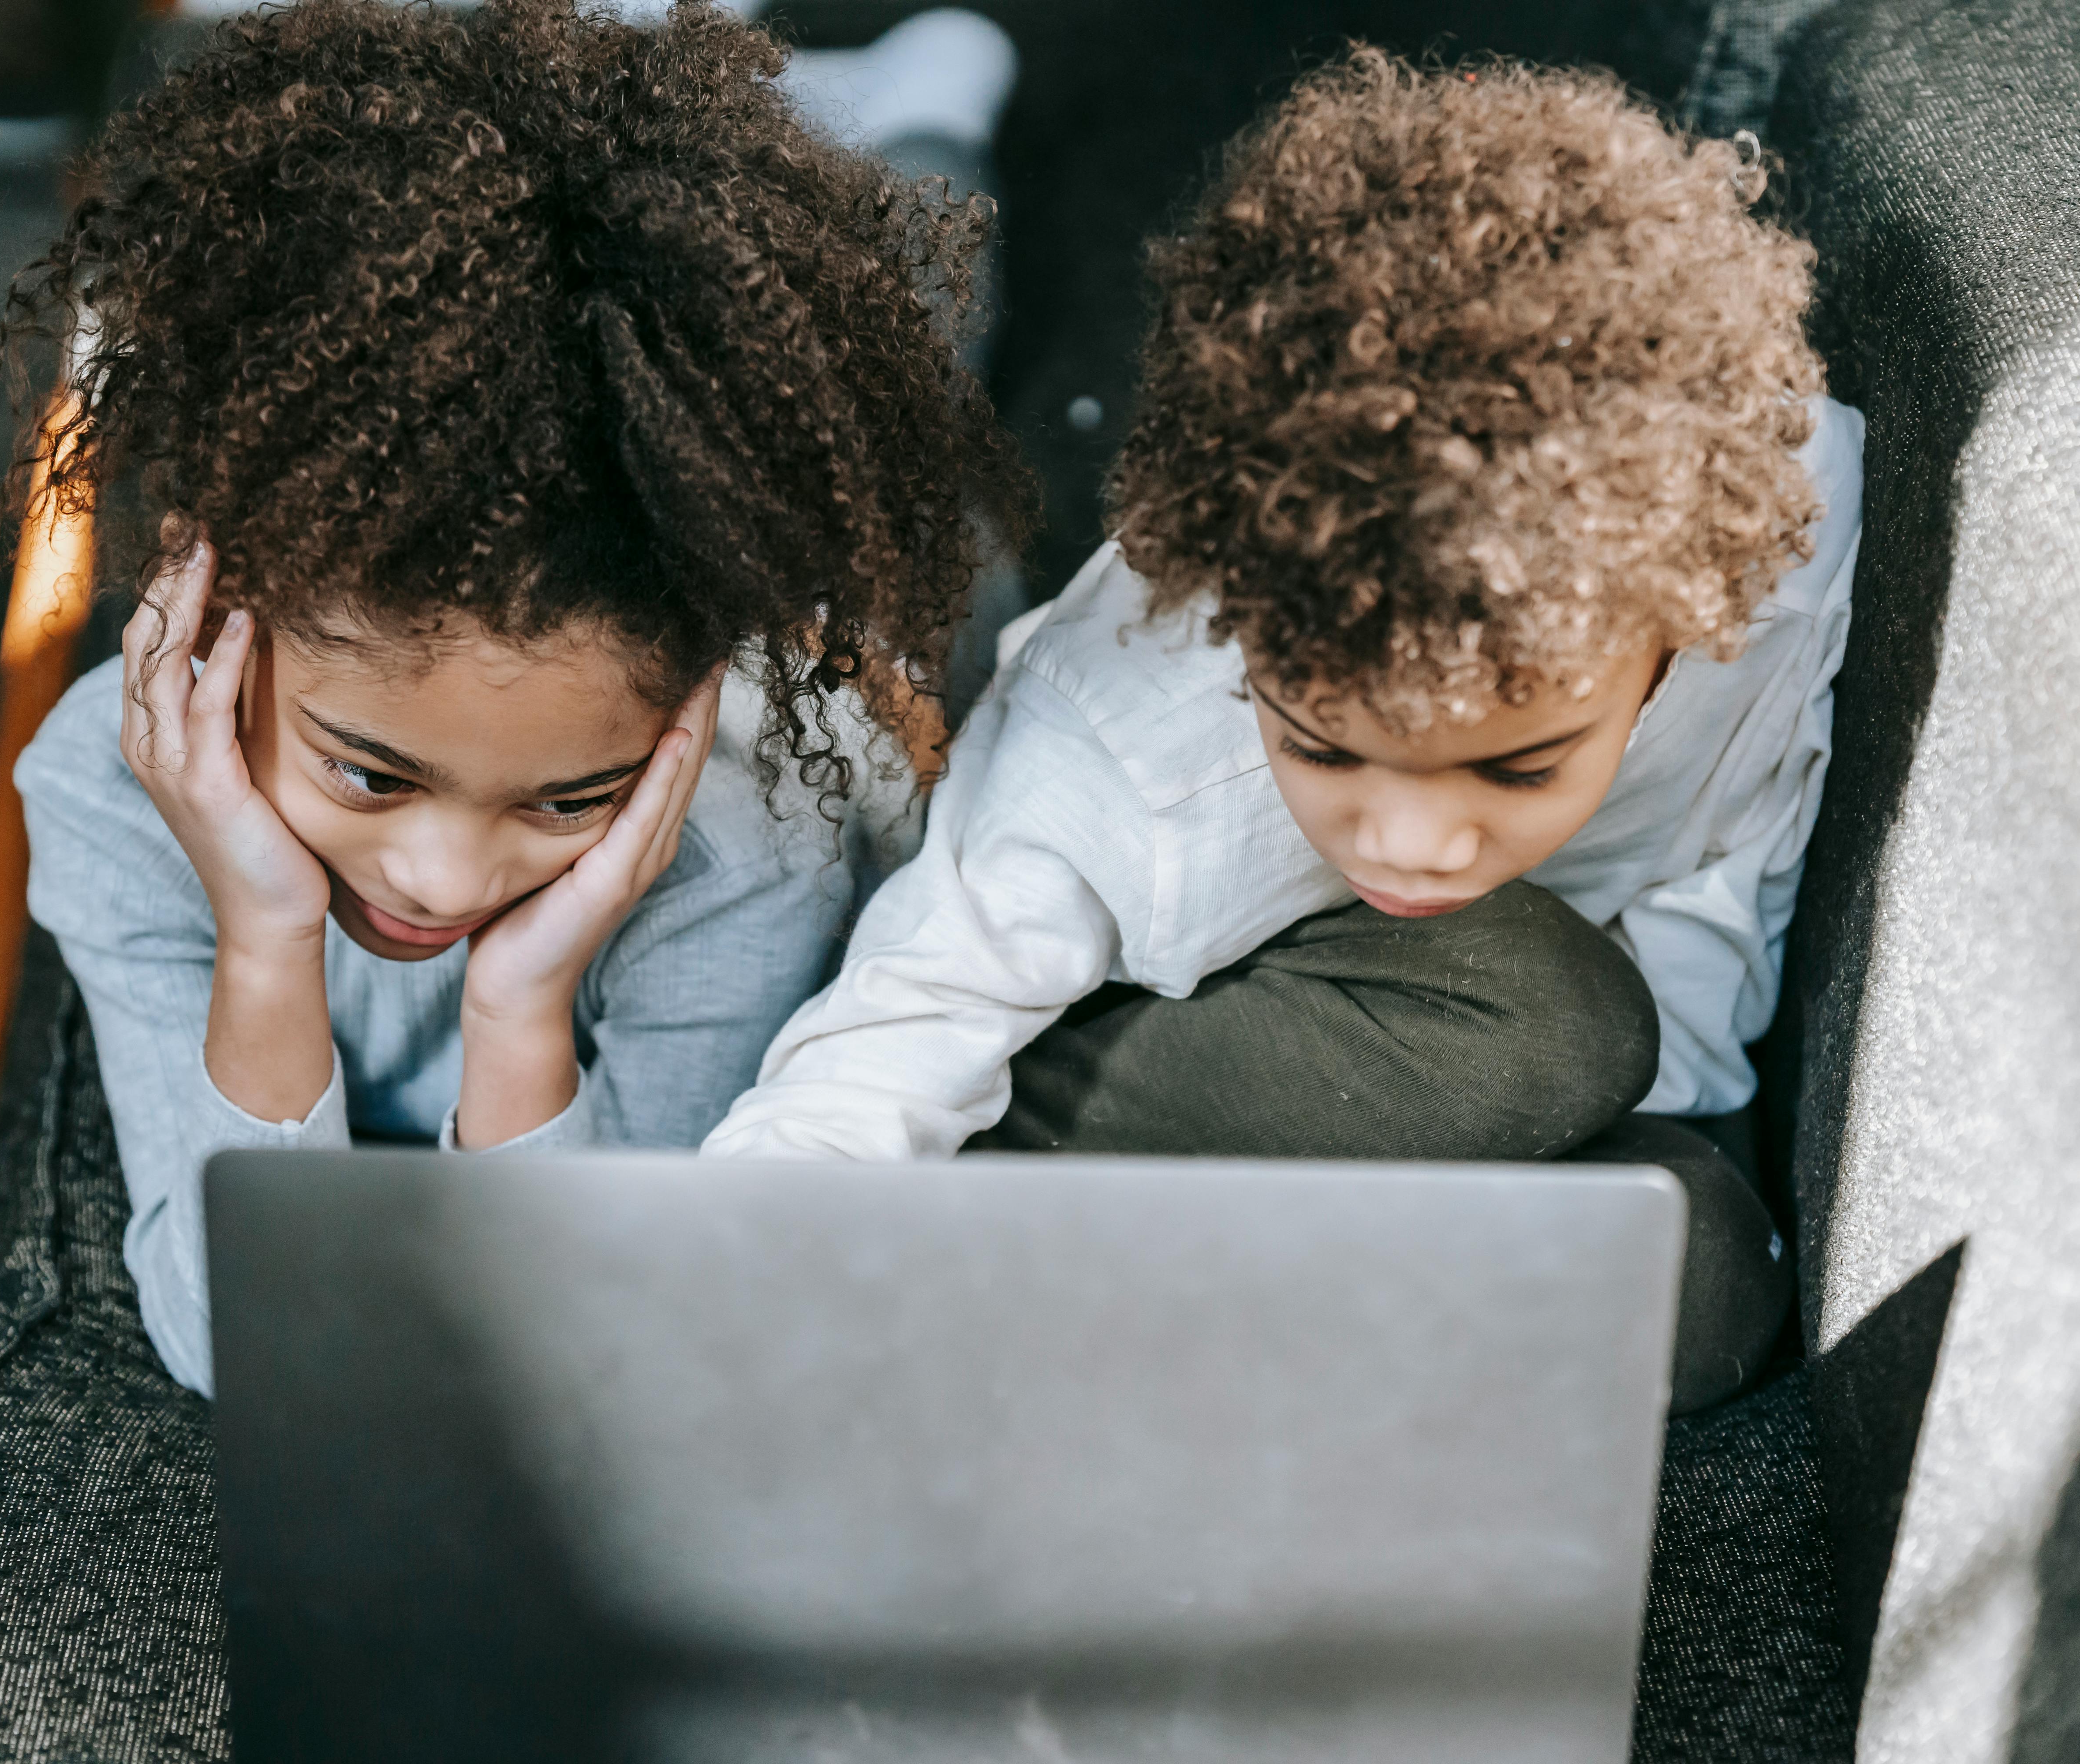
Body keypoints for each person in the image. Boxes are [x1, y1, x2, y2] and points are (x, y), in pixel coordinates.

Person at [707, 53, 1863, 1411]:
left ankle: (1137, 1316)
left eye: (1518, 764)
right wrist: (728, 1327)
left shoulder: (1761, 534)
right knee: (1557, 1021)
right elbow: (892, 1037)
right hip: (1118, 1036)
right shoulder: (1119, 747)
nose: (1414, 842)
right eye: (1322, 746)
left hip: (1393, 1071)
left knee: (1707, 1272)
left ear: (1687, 625)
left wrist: (1676, 1117)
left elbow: (1733, 836)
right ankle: (1016, 1242)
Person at [0, 0, 1033, 1397]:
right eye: (370, 773)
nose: (446, 876)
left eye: (569, 798)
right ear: (223, 610)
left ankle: (924, 111)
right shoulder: (109, 793)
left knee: (927, 375)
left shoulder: (749, 851)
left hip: (837, 678)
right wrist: (262, 935)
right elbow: (237, 1341)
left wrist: (521, 1013)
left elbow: (586, 1326)